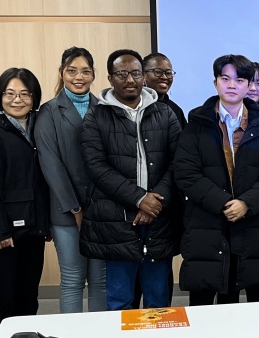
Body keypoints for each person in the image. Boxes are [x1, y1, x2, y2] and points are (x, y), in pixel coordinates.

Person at [173, 55, 259, 338]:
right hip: (208, 222)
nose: (232, 85)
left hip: (252, 221)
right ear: (216, 83)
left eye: (240, 80)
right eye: (225, 78)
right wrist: (224, 202)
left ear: (249, 85)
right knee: (204, 292)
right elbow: (186, 173)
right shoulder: (198, 123)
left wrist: (247, 203)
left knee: (258, 289)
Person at [80, 50, 182, 312]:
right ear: (110, 78)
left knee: (158, 301)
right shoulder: (96, 116)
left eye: (135, 73)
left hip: (159, 217)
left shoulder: (165, 113)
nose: (129, 80)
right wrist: (139, 199)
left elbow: (178, 163)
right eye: (122, 74)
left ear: (143, 77)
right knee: (120, 300)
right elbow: (96, 167)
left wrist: (154, 202)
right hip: (116, 220)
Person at [0, 68, 50, 337]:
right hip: (3, 233)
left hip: (32, 227)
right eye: (10, 93)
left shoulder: (37, 125)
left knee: (28, 295)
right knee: (3, 297)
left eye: (25, 94)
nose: (17, 100)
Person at [35, 47, 107, 314]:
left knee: (100, 281)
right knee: (73, 280)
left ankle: (100, 336)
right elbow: (51, 165)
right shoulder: (49, 112)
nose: (79, 77)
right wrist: (75, 208)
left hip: (101, 211)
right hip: (66, 211)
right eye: (72, 71)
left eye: (85, 71)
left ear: (93, 74)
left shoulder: (104, 108)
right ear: (61, 72)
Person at [143, 52, 186, 127]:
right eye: (158, 72)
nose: (164, 77)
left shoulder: (175, 110)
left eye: (168, 73)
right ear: (143, 75)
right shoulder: (135, 105)